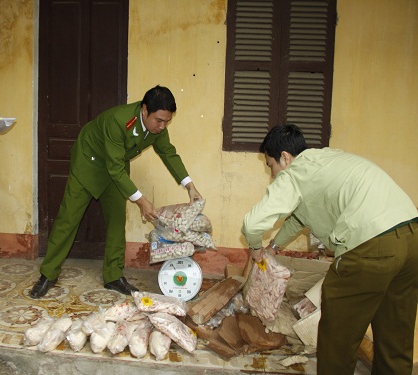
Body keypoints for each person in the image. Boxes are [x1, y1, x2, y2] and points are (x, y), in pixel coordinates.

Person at [242, 124, 417, 374]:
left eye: (271, 166)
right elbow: (300, 217)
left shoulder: (295, 173)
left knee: (338, 337)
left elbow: (252, 223)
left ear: (285, 157)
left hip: (371, 246)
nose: (272, 175)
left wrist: (256, 247)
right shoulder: (326, 159)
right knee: (395, 335)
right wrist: (274, 246)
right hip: (411, 238)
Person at [30, 85, 202, 298]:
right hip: (89, 163)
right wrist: (141, 201)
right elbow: (114, 168)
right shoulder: (118, 121)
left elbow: (168, 153)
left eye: (167, 121)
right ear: (145, 110)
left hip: (116, 167)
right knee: (68, 219)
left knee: (116, 220)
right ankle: (48, 274)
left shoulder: (157, 129)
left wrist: (189, 186)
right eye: (159, 120)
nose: (162, 126)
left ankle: (113, 276)